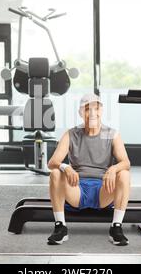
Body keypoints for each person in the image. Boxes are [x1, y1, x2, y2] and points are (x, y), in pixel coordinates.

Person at [47, 93, 131, 246]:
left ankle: (116, 228)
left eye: (96, 108)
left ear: (102, 111)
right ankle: (60, 227)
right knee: (55, 173)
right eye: (87, 109)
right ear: (80, 113)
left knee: (124, 174)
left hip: (103, 190)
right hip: (76, 188)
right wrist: (66, 167)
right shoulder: (71, 134)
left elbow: (126, 162)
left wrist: (113, 169)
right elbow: (52, 162)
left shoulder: (112, 134)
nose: (92, 113)